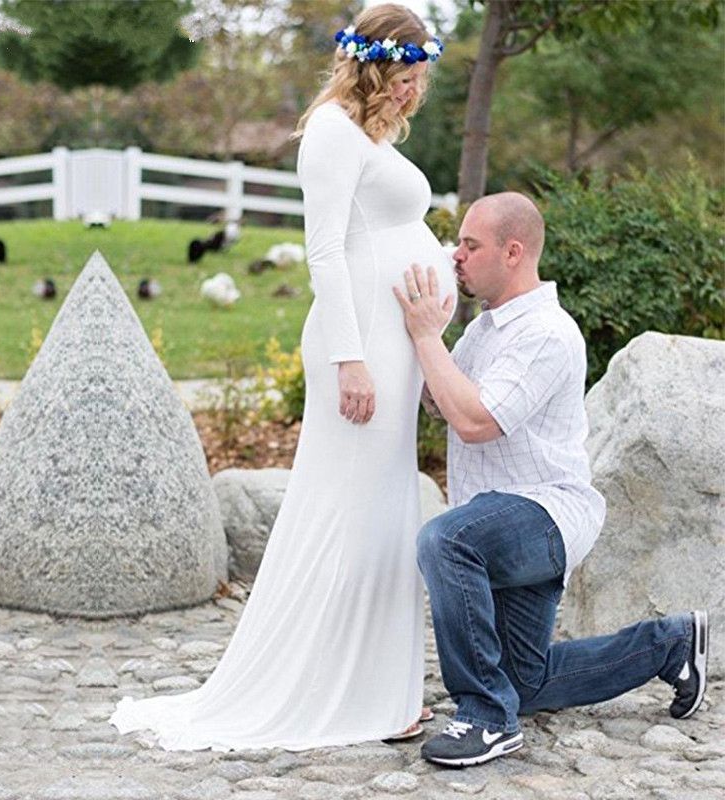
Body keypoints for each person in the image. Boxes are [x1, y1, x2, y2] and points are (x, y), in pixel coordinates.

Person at [109, 4, 456, 750]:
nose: (415, 88)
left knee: (383, 509)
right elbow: (325, 251)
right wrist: (349, 358)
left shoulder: (371, 136)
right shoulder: (331, 130)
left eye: (420, 75)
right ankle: (343, 691)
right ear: (376, 65)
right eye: (407, 74)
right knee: (353, 510)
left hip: (391, 344)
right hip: (359, 345)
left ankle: (378, 689)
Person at [393, 191, 709, 767]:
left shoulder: (546, 332)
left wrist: (425, 338)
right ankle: (672, 642)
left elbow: (475, 421)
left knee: (446, 540)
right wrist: (417, 340)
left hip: (543, 514)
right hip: (500, 519)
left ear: (513, 252)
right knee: (526, 683)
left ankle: (486, 718)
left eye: (470, 245)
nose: (456, 255)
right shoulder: (485, 329)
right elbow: (444, 403)